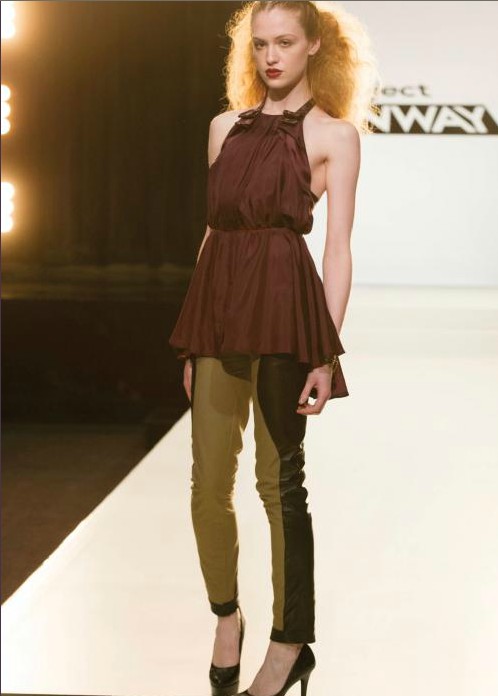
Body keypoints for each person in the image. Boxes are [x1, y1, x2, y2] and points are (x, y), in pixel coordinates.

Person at [168, 2, 379, 694]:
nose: (271, 57)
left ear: (314, 44)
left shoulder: (335, 136)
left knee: (279, 484)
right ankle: (226, 616)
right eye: (260, 44)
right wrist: (193, 335)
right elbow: (213, 233)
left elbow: (338, 249)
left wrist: (326, 352)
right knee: (207, 485)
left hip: (286, 316)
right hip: (220, 316)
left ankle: (290, 643)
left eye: (284, 42)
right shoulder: (223, 128)